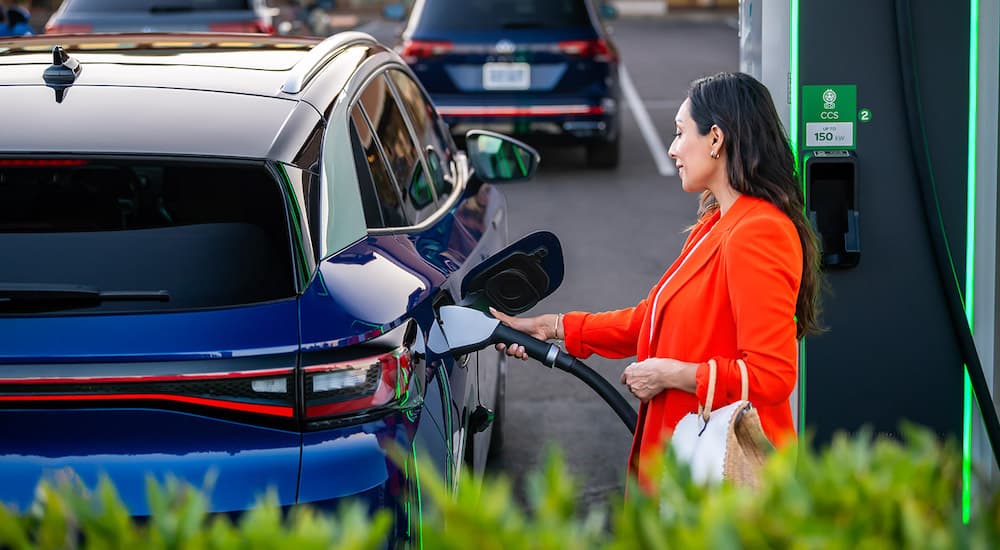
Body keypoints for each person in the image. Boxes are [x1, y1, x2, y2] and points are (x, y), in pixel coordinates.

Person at [492, 71, 823, 486]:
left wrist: (671, 374)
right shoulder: (718, 223)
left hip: (724, 474)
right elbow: (654, 318)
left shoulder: (758, 232)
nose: (671, 149)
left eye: (681, 133)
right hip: (695, 462)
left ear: (716, 139)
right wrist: (552, 327)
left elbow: (771, 376)